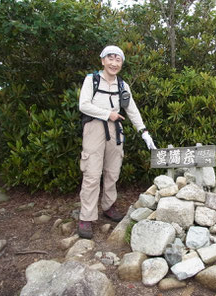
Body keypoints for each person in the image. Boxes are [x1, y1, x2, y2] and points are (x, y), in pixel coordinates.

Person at [77, 45, 156, 239]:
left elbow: (132, 110)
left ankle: (108, 206)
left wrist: (144, 132)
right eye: (110, 58)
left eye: (118, 59)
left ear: (122, 63)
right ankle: (86, 217)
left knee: (113, 172)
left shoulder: (123, 85)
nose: (114, 63)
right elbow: (83, 105)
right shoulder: (92, 80)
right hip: (94, 128)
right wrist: (108, 114)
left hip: (116, 131)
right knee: (92, 174)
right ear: (103, 60)